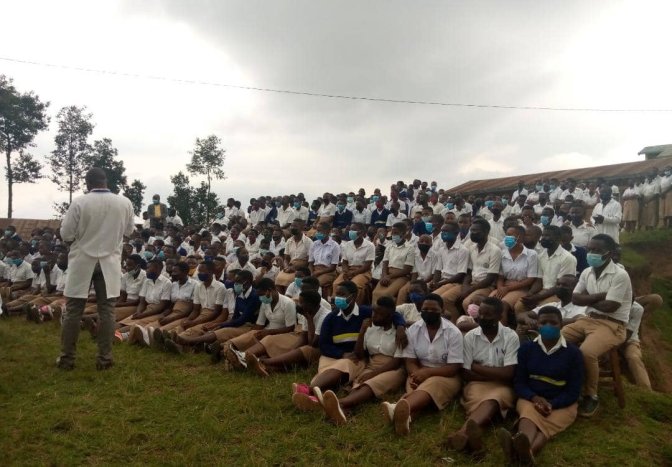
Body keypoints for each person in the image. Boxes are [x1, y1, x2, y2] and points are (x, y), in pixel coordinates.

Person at [58, 168, 135, 370]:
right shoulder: (124, 203)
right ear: (106, 181)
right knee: (107, 311)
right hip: (110, 262)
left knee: (73, 311)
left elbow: (66, 234)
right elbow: (129, 231)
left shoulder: (79, 202)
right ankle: (105, 359)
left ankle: (67, 359)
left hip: (82, 261)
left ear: (87, 183)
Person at [497, 306, 583, 466]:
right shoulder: (527, 349)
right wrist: (534, 398)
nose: (548, 326)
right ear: (537, 324)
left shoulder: (574, 353)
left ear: (561, 324)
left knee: (545, 428)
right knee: (528, 415)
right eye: (543, 322)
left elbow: (573, 391)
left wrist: (552, 404)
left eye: (553, 323)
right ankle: (524, 453)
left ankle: (520, 453)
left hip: (563, 403)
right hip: (530, 398)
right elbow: (519, 383)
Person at [561, 233, 632, 417]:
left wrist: (587, 299)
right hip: (588, 319)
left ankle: (590, 395)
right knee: (555, 340)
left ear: (609, 253)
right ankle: (561, 383)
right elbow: (575, 298)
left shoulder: (620, 275)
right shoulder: (587, 272)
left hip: (612, 325)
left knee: (587, 352)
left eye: (597, 250)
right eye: (590, 249)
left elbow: (611, 307)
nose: (591, 253)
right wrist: (600, 296)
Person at [381, 293, 463, 436]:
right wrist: (416, 374)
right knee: (418, 389)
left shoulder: (453, 333)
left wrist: (427, 373)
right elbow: (410, 361)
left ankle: (396, 409)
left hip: (446, 375)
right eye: (425, 309)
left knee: (432, 385)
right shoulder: (413, 330)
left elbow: (454, 367)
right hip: (418, 371)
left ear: (442, 310)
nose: (429, 312)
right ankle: (406, 418)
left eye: (434, 310)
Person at [318, 296, 407, 425]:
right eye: (374, 311)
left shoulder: (400, 333)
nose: (374, 315)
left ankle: (340, 403)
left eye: (379, 314)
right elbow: (359, 354)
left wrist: (373, 374)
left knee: (370, 383)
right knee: (358, 383)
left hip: (394, 368)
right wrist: (362, 332)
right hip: (372, 363)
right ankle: (344, 410)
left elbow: (397, 362)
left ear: (389, 316)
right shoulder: (371, 328)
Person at [447, 297, 519, 455]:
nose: (482, 317)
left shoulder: (511, 337)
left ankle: (462, 433)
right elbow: (466, 373)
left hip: (502, 386)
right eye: (480, 313)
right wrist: (495, 374)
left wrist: (476, 366)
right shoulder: (470, 337)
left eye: (488, 315)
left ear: (500, 316)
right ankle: (471, 437)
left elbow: (509, 373)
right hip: (476, 383)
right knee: (480, 401)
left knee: (494, 399)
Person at [223, 278, 297, 369]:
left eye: (261, 295)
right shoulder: (265, 303)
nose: (260, 298)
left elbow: (290, 328)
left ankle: (242, 357)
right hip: (268, 330)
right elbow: (260, 324)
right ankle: (230, 348)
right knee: (253, 334)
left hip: (283, 334)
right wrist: (252, 334)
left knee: (268, 339)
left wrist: (269, 332)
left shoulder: (288, 303)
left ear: (269, 290)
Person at [492, 226, 539, 326]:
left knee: (502, 305)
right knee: (490, 302)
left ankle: (503, 331)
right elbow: (500, 277)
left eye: (510, 235)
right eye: (506, 235)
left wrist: (507, 289)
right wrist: (500, 288)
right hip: (504, 286)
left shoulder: (531, 254)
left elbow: (530, 279)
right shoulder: (503, 254)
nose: (507, 237)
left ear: (520, 237)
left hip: (521, 287)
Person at [458, 218, 502, 313]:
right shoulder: (472, 248)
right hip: (472, 284)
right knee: (446, 298)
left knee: (467, 303)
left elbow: (490, 278)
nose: (472, 233)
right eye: (471, 230)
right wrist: (465, 286)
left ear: (486, 232)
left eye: (476, 231)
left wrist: (469, 290)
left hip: (486, 286)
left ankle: (475, 322)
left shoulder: (495, 250)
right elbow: (469, 272)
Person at [621, 294, 663, 390]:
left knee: (634, 357)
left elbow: (629, 334)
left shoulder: (637, 309)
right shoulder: (609, 304)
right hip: (610, 336)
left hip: (630, 341)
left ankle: (646, 390)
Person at [430, 221, 469, 320]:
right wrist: (434, 282)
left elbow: (461, 274)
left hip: (457, 283)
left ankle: (454, 323)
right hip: (444, 281)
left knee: (444, 299)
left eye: (446, 231)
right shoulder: (441, 249)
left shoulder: (462, 250)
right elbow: (438, 270)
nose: (443, 233)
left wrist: (441, 283)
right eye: (442, 231)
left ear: (456, 233)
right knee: (431, 296)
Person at [371, 222, 415, 305]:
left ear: (403, 233)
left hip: (401, 276)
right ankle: (375, 312)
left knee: (386, 294)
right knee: (375, 293)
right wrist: (384, 275)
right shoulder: (389, 247)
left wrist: (389, 276)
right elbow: (385, 264)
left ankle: (388, 312)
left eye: (396, 233)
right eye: (392, 233)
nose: (393, 235)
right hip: (387, 274)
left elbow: (407, 270)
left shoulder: (410, 248)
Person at [332, 223, 374, 303]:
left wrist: (353, 273)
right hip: (348, 270)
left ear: (361, 232)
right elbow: (344, 262)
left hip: (363, 272)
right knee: (336, 284)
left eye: (354, 230)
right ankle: (337, 305)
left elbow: (367, 266)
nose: (351, 232)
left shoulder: (370, 245)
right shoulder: (348, 244)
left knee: (355, 285)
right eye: (350, 229)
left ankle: (354, 306)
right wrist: (345, 272)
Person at [308, 223, 340, 298]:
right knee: (304, 283)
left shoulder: (335, 246)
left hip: (328, 272)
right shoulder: (314, 244)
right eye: (317, 231)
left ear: (328, 231)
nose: (318, 233)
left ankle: (317, 301)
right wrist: (312, 272)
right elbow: (310, 263)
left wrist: (318, 272)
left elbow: (333, 267)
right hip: (314, 270)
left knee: (315, 284)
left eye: (320, 231)